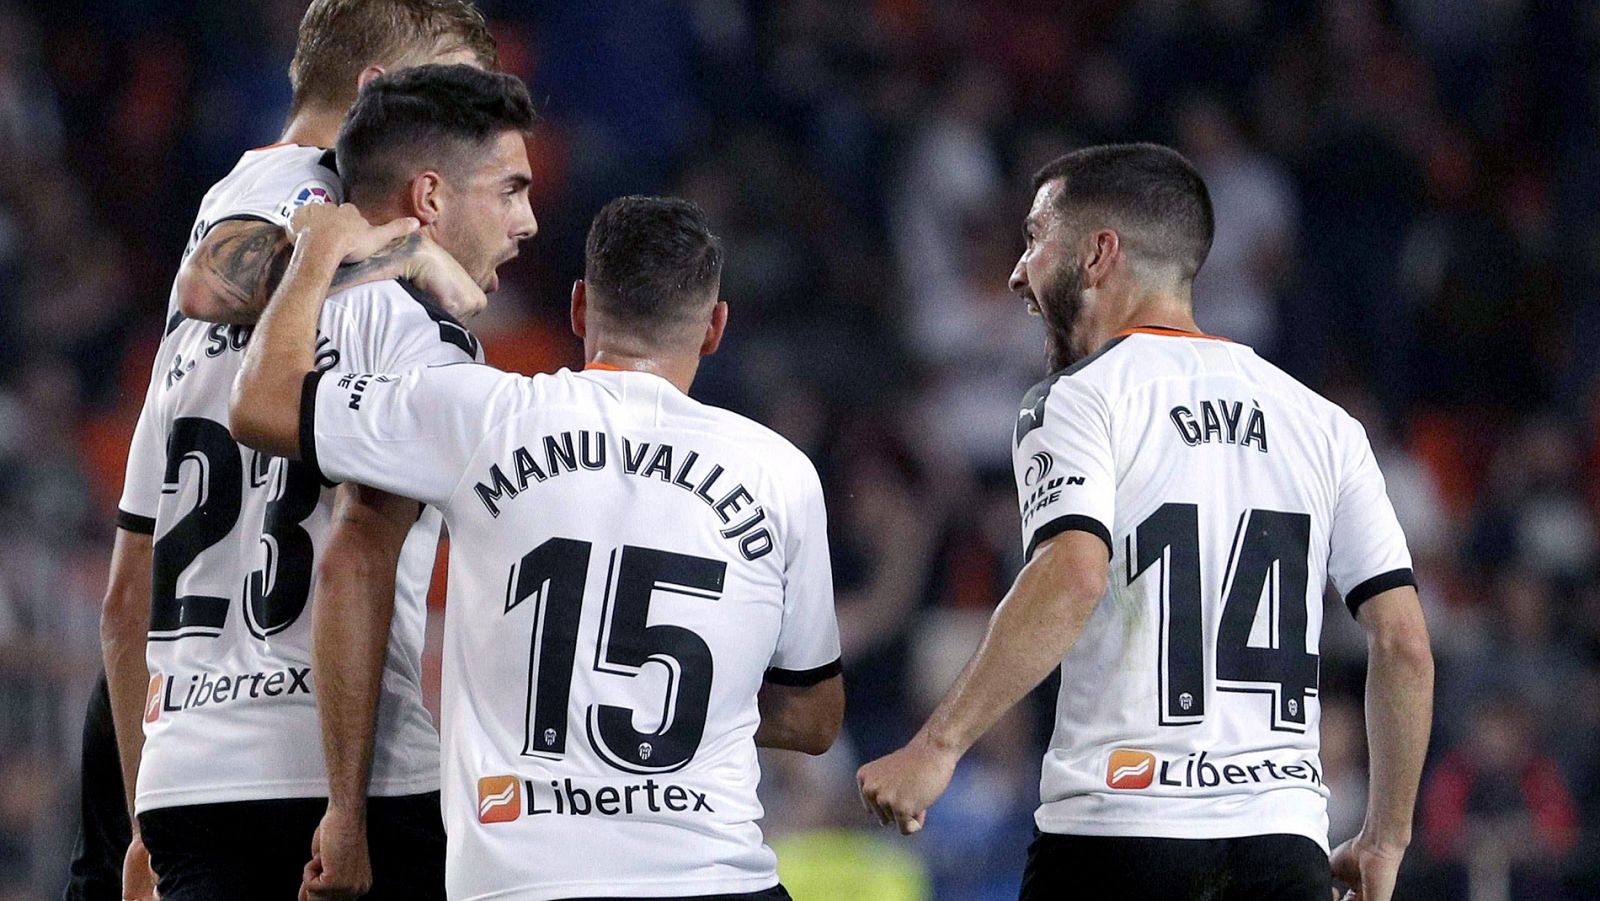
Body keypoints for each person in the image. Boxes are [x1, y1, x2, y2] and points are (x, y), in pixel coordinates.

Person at [855, 143, 1435, 901]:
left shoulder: (1079, 399)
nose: (1017, 272)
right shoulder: (1324, 423)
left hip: (1119, 827)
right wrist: (1386, 836)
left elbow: (1074, 573)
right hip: (1282, 842)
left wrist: (937, 747)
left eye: (1034, 240)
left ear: (1097, 254)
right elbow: (1404, 642)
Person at [230, 194, 845, 901]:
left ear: (580, 308)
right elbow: (814, 717)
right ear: (714, 328)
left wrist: (314, 255)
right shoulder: (781, 472)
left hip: (524, 880)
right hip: (716, 876)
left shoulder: (483, 415)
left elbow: (261, 405)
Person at [94, 4, 499, 900]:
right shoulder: (304, 196)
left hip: (195, 775)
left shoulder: (186, 347)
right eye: (454, 99)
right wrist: (411, 253)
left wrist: (145, 816)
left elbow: (127, 601)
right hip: (336, 760)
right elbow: (215, 276)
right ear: (377, 95)